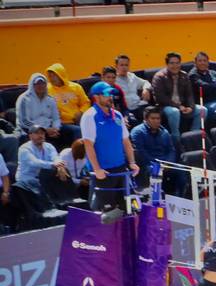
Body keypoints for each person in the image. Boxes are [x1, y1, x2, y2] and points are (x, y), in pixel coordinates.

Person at [80, 81, 139, 222]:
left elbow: (126, 141)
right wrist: (97, 169)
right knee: (107, 216)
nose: (110, 97)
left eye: (111, 94)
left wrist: (132, 162)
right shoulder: (90, 116)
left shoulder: (117, 115)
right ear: (96, 97)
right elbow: (89, 146)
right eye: (106, 94)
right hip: (103, 173)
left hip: (121, 170)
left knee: (132, 208)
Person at [152, 52, 206, 142]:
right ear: (167, 64)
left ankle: (192, 136)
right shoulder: (159, 77)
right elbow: (160, 97)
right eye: (172, 63)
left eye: (177, 63)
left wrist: (191, 107)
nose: (175, 66)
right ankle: (176, 139)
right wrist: (178, 106)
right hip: (164, 107)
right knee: (174, 112)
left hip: (182, 106)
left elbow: (189, 94)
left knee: (203, 110)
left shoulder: (184, 75)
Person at [130, 106, 176, 190]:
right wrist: (159, 165)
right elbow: (140, 154)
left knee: (181, 172)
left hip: (165, 163)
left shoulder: (164, 132)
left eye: (158, 118)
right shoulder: (137, 132)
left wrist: (169, 163)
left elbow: (171, 150)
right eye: (153, 118)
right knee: (154, 171)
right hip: (148, 164)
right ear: (146, 119)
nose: (156, 121)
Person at [46, 63, 90, 147]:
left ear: (61, 75)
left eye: (54, 75)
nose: (51, 78)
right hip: (59, 123)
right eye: (49, 76)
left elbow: (86, 102)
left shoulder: (76, 87)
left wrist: (81, 112)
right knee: (77, 131)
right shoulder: (47, 89)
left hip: (76, 120)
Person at [16, 124, 65, 196]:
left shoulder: (49, 146)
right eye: (37, 133)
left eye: (42, 133)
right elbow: (35, 162)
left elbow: (55, 157)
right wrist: (53, 164)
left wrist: (60, 166)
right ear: (30, 136)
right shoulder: (24, 149)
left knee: (63, 181)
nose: (40, 135)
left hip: (43, 178)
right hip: (27, 179)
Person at [16, 73, 62, 147]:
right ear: (32, 85)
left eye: (43, 83)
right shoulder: (24, 99)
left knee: (74, 131)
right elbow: (24, 122)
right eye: (37, 84)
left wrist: (55, 129)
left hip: (49, 130)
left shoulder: (50, 99)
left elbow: (56, 118)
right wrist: (44, 130)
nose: (40, 86)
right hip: (29, 130)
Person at [114, 54, 152, 121]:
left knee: (153, 114)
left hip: (138, 106)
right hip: (126, 109)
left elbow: (146, 82)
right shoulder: (113, 80)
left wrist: (146, 89)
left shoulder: (132, 76)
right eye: (122, 65)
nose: (124, 67)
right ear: (116, 66)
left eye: (126, 65)